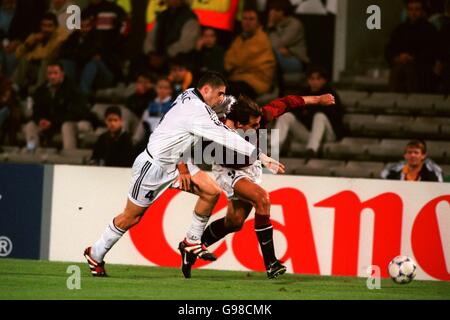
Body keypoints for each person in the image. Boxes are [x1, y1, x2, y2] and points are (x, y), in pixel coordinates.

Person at [83, 71, 282, 277]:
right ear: (206, 90)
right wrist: (262, 156)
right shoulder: (197, 112)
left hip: (176, 161)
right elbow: (226, 136)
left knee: (211, 191)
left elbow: (210, 115)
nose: (222, 98)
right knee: (131, 218)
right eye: (220, 94)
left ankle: (192, 241)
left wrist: (182, 166)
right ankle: (95, 253)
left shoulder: (189, 94)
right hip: (153, 167)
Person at [178, 93, 335, 279]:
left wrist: (318, 100)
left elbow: (287, 102)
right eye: (254, 126)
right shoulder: (215, 128)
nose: (259, 127)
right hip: (228, 171)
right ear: (237, 124)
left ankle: (190, 246)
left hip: (250, 168)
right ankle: (271, 263)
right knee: (262, 200)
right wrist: (183, 169)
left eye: (259, 123)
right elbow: (184, 141)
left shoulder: (261, 115)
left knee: (234, 222)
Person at [274, 65, 343, 157]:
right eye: (312, 79)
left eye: (318, 79)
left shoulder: (331, 95)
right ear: (308, 80)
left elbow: (334, 118)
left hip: (327, 135)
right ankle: (274, 149)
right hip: (309, 135)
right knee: (286, 116)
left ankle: (312, 150)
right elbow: (295, 112)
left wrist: (308, 112)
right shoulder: (303, 94)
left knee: (319, 116)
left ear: (324, 80)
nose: (314, 82)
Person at [23, 61, 93, 150]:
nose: (52, 76)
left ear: (62, 74)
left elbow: (77, 112)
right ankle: (32, 152)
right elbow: (37, 109)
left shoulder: (73, 88)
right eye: (49, 73)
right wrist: (40, 120)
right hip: (52, 123)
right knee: (30, 126)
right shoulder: (41, 90)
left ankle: (69, 156)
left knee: (67, 126)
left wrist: (53, 122)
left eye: (55, 73)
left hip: (77, 122)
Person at [385, 0, 439, 93]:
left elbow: (432, 52)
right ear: (407, 11)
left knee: (410, 71)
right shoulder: (399, 29)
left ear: (422, 11)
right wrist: (398, 58)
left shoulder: (430, 30)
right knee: (399, 70)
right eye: (411, 9)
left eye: (417, 9)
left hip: (421, 69)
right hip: (400, 66)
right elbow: (389, 49)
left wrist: (413, 58)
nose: (413, 13)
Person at [224, 7, 276, 99]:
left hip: (256, 81)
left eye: (251, 19)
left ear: (258, 22)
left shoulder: (261, 39)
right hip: (239, 78)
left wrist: (235, 65)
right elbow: (228, 60)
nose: (247, 22)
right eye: (244, 18)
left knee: (228, 92)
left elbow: (240, 60)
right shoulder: (240, 38)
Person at [13, 12, 68, 94]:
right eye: (44, 25)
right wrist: (28, 43)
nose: (46, 29)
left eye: (49, 26)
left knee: (45, 61)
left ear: (55, 27)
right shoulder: (36, 36)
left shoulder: (61, 34)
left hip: (51, 68)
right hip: (35, 68)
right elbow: (17, 54)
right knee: (24, 59)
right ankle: (15, 87)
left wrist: (31, 55)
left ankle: (38, 91)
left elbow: (47, 54)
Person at [266, 0, 310, 74]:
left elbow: (277, 45)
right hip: (281, 56)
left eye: (274, 10)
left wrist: (271, 29)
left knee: (271, 54)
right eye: (270, 10)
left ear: (282, 12)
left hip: (296, 60)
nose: (271, 13)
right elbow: (265, 43)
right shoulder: (275, 24)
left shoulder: (294, 24)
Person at [133, 77, 173, 147]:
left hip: (166, 140)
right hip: (150, 139)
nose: (162, 90)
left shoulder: (173, 105)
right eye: (160, 87)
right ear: (156, 89)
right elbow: (142, 124)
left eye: (166, 88)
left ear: (170, 90)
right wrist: (135, 140)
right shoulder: (151, 106)